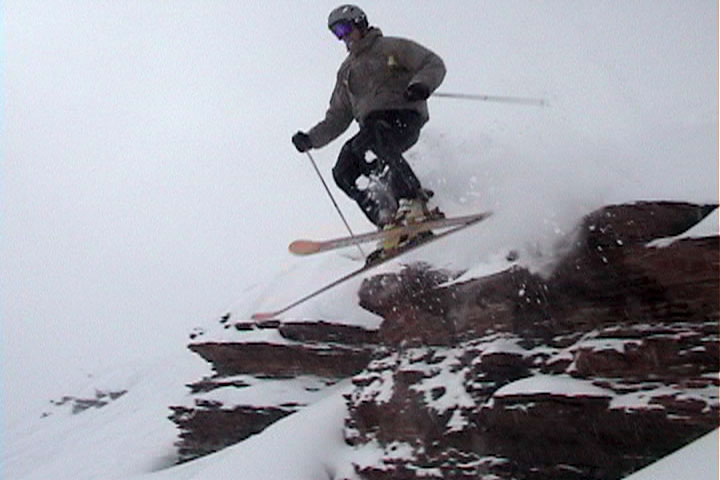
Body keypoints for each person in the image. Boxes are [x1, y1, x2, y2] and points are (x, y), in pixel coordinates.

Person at [292, 4, 446, 230]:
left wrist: (421, 85)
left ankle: (412, 200)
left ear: (360, 23)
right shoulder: (347, 72)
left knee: (375, 137)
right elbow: (338, 116)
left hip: (403, 115)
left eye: (344, 29)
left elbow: (432, 63)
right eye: (336, 33)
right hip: (371, 129)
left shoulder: (390, 48)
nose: (343, 37)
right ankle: (386, 217)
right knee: (344, 169)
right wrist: (311, 139)